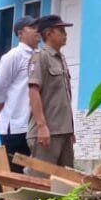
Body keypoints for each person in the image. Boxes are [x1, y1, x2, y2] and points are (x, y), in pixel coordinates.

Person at [0, 15, 39, 173]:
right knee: (13, 173)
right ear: (20, 33)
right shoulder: (14, 56)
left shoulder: (39, 56)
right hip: (15, 126)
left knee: (33, 173)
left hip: (32, 125)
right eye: (32, 27)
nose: (37, 31)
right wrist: (1, 107)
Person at [27, 14, 75, 171]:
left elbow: (64, 98)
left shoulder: (61, 59)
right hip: (47, 133)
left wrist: (70, 130)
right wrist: (42, 126)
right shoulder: (40, 57)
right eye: (61, 31)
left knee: (65, 182)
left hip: (63, 132)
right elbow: (34, 91)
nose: (65, 34)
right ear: (48, 34)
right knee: (42, 181)